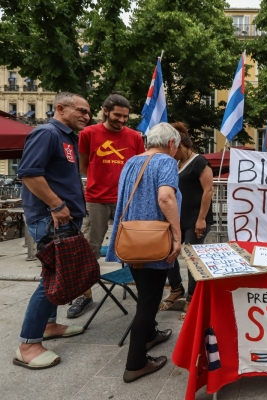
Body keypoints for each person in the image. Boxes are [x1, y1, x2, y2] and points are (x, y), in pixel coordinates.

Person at [14, 92, 91, 369]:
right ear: (60, 108)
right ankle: (28, 344)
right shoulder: (47, 133)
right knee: (52, 277)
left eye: (88, 112)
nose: (87, 116)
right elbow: (30, 174)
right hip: (52, 219)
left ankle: (49, 325)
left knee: (58, 275)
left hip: (63, 218)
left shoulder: (68, 137)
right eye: (81, 110)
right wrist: (57, 206)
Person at [105, 123, 182, 383]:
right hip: (154, 241)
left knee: (145, 294)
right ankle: (135, 363)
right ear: (171, 144)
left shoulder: (131, 161)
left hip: (131, 239)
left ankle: (150, 336)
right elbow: (165, 198)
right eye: (177, 146)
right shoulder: (165, 162)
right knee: (148, 303)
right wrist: (177, 235)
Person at [69, 93, 145, 319]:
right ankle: (85, 294)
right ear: (105, 111)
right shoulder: (88, 133)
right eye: (117, 115)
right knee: (90, 247)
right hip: (97, 198)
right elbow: (83, 165)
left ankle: (141, 288)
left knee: (135, 246)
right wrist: (99, 182)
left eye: (125, 116)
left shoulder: (135, 136)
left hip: (127, 199)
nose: (122, 120)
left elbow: (139, 167)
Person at [159, 122, 214, 320]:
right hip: (177, 218)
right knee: (168, 253)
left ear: (181, 145)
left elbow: (208, 191)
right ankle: (176, 289)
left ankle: (192, 297)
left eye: (173, 148)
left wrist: (201, 219)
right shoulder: (175, 163)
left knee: (191, 258)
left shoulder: (200, 162)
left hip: (196, 219)